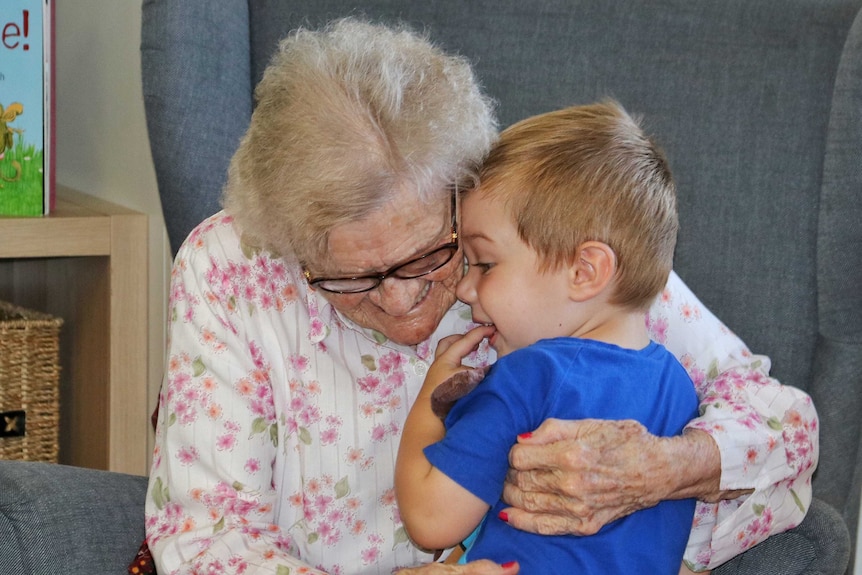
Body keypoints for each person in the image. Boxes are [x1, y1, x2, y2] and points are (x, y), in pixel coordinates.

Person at [144, 17, 818, 575]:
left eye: (434, 254)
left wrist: (664, 466)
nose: (406, 301)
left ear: (462, 187)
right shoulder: (235, 264)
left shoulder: (538, 237)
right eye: (350, 279)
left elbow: (785, 427)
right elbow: (207, 538)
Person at [396, 100, 699, 574]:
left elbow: (431, 521)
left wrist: (429, 402)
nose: (463, 287)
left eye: (485, 263)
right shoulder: (679, 387)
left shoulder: (530, 375)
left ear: (584, 271)